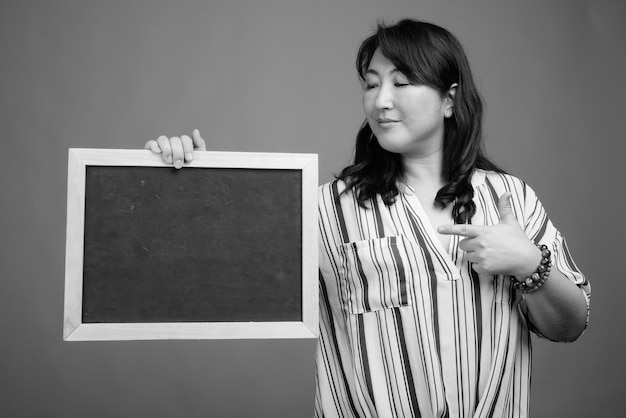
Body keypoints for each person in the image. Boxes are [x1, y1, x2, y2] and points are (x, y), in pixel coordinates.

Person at [145, 18, 590, 418]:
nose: (381, 101)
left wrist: (530, 264)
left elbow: (569, 325)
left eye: (402, 82)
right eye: (371, 84)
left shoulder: (510, 198)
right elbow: (215, 279)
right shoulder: (325, 209)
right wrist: (186, 185)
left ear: (449, 100)